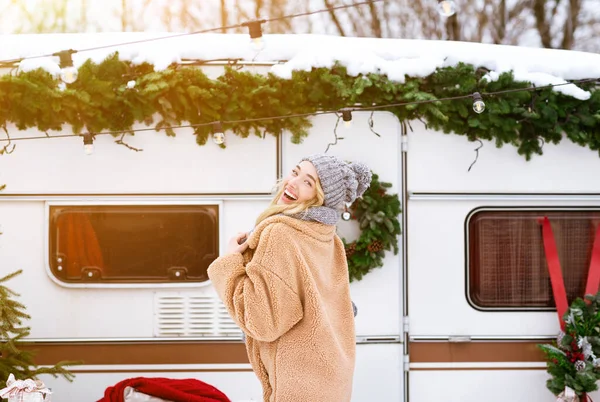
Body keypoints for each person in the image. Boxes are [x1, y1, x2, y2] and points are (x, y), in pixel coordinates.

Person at [207, 154, 372, 402]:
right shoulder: (329, 238)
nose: (293, 183)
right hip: (333, 378)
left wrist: (230, 262)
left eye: (308, 182)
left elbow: (262, 322)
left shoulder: (280, 232)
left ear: (322, 198)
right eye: (295, 172)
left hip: (300, 386)